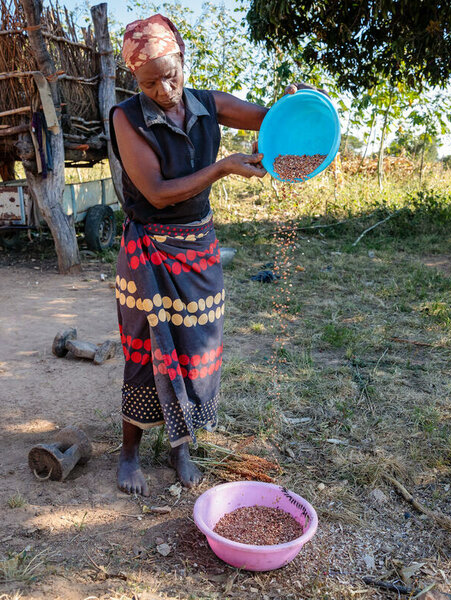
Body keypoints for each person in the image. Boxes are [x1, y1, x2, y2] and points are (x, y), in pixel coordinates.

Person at [109, 14, 309, 496]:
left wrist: (298, 105)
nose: (164, 88)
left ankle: (181, 448)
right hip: (150, 248)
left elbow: (268, 119)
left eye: (170, 74)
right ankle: (129, 453)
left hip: (199, 247)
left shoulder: (208, 104)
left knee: (197, 347)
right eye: (150, 81)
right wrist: (221, 169)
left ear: (183, 60)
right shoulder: (126, 117)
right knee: (147, 349)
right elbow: (156, 192)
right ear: (135, 80)